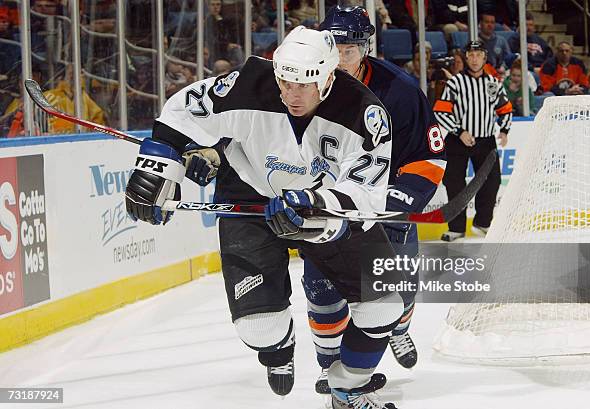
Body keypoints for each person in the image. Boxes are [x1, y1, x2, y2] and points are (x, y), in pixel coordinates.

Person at [124, 26, 404, 409]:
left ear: (328, 77)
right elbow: (183, 111)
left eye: (304, 85)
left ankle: (347, 388)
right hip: (249, 200)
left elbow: (366, 192)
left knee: (384, 306)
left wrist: (314, 204)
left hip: (323, 208)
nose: (292, 94)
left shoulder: (364, 112)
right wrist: (157, 167)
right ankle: (278, 349)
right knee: (259, 328)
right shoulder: (248, 84)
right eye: (286, 82)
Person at [303, 5, 446, 395]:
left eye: (347, 48)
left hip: (385, 208)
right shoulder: (301, 82)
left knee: (396, 292)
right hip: (328, 208)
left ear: (365, 48)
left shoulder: (398, 90)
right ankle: (330, 365)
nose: (338, 56)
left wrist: (403, 195)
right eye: (332, 46)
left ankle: (398, 328)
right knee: (322, 291)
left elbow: (428, 154)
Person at [434, 40, 512, 241]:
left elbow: (505, 108)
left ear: (485, 58)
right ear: (466, 58)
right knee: (454, 183)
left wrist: (504, 130)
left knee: (492, 181)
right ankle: (457, 228)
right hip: (457, 141)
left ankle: (483, 222)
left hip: (485, 141)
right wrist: (459, 131)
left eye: (479, 55)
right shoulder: (455, 83)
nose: (475, 59)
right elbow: (441, 112)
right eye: (471, 55)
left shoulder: (493, 84)